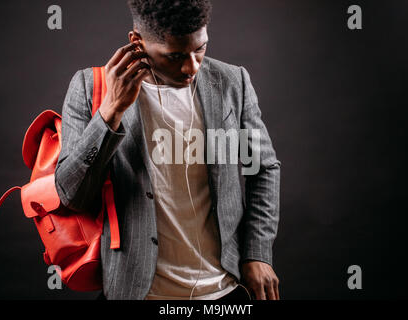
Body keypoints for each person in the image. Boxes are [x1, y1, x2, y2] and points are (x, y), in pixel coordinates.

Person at [55, 0, 281, 300]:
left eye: (200, 49)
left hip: (224, 291)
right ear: (137, 41)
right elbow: (72, 196)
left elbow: (262, 168)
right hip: (136, 292)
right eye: (174, 56)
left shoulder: (231, 82)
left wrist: (258, 253)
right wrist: (110, 112)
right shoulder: (89, 88)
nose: (191, 67)